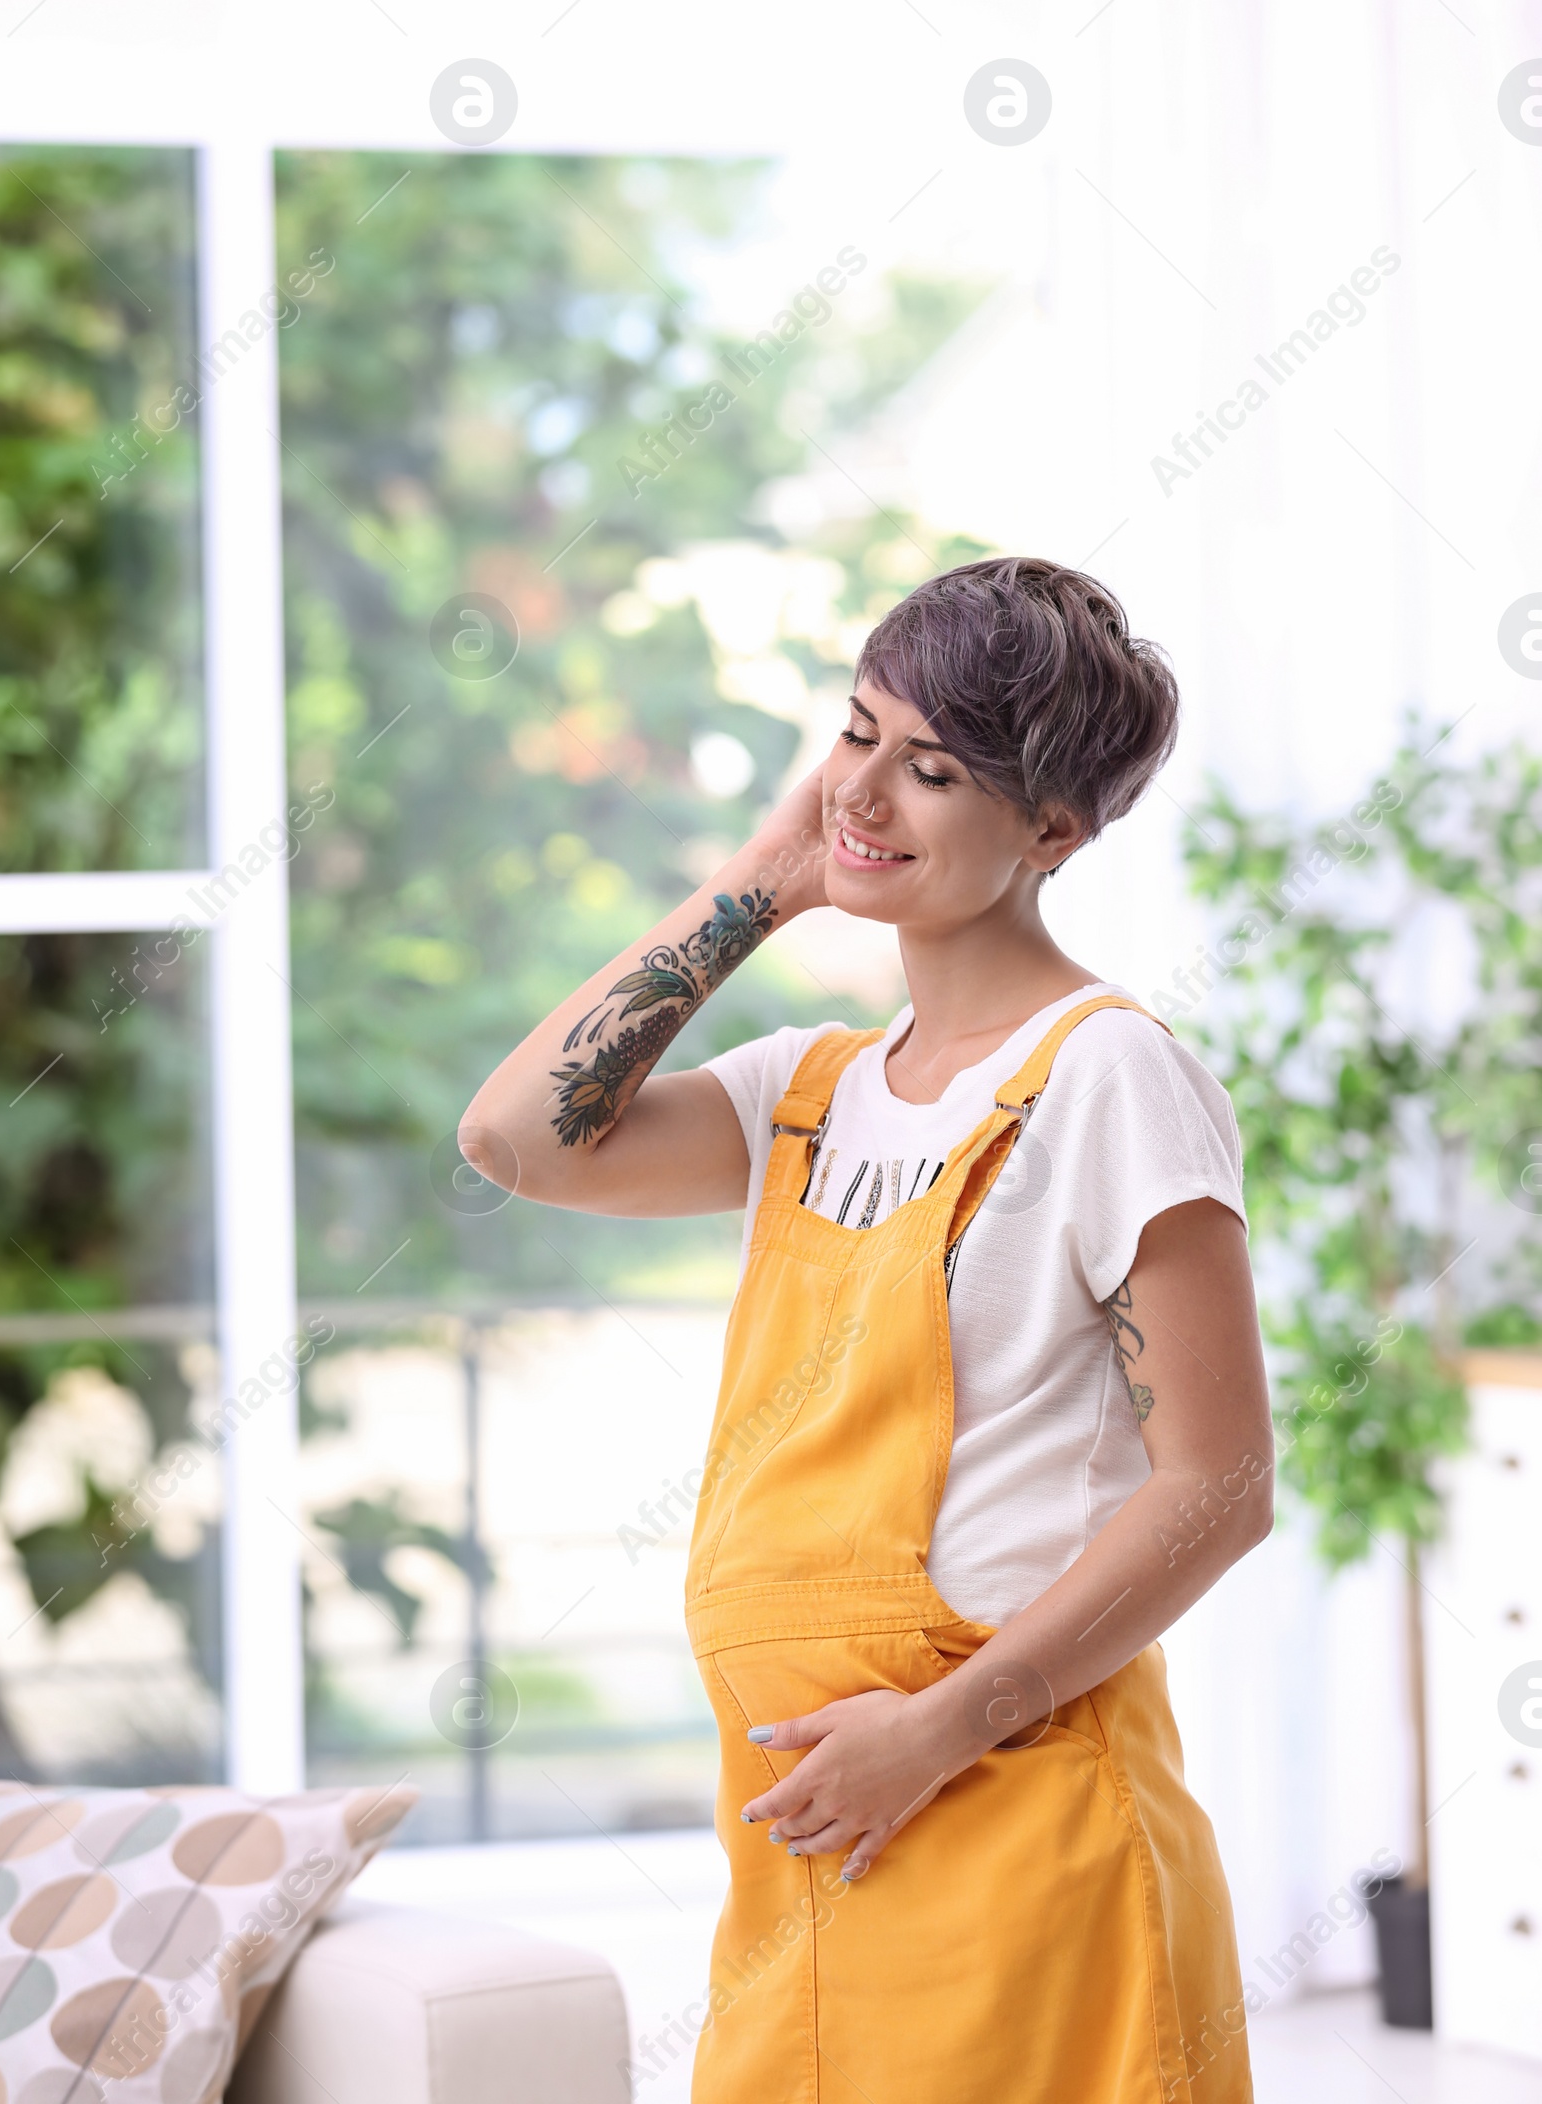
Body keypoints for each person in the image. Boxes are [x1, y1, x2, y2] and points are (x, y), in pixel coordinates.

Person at [465, 556, 1271, 2103]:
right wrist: (771, 875)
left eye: (936, 768)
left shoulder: (1109, 1078)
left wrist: (937, 1731)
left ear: (1056, 829)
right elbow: (519, 1139)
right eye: (857, 734)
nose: (871, 795)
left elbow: (1220, 1488)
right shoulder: (809, 1096)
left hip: (1022, 1819)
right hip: (802, 1844)